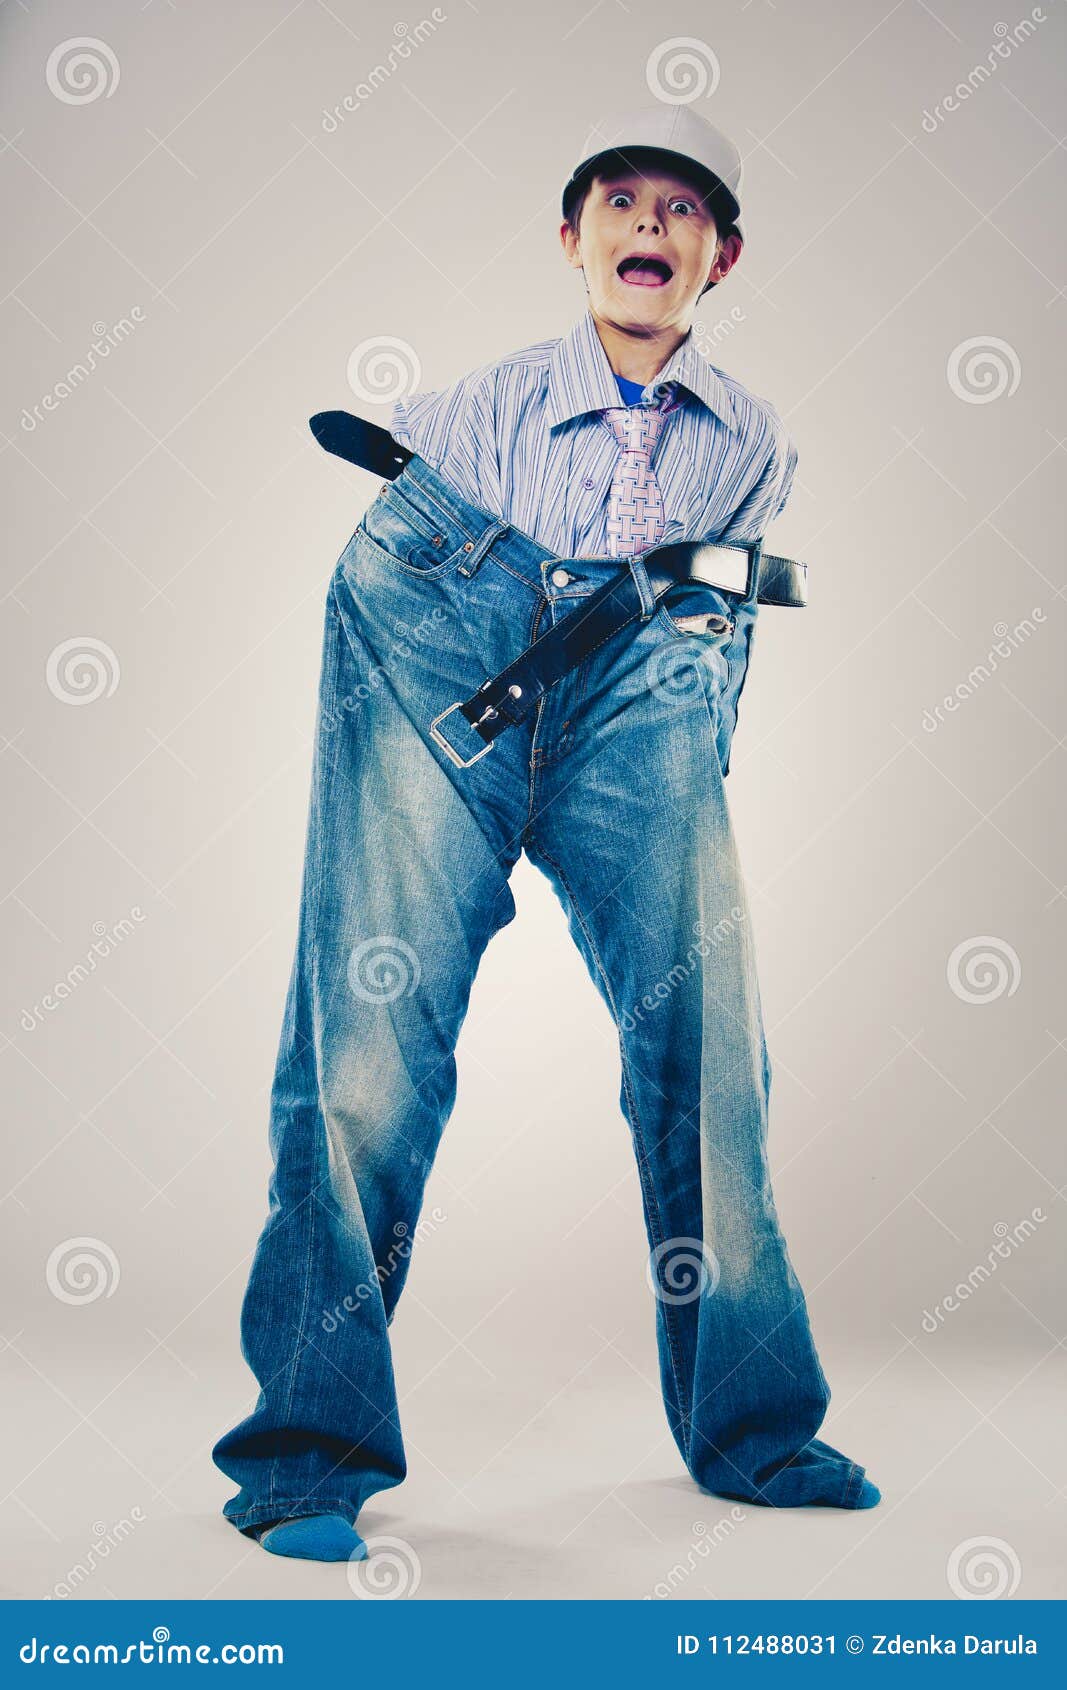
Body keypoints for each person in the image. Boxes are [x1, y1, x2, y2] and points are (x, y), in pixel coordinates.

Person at [212, 105, 880, 1565]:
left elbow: (719, 644)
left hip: (641, 673)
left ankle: (754, 1427)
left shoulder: (752, 439)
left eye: (683, 210)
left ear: (723, 256)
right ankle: (307, 1451)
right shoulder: (482, 404)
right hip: (440, 628)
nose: (651, 224)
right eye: (622, 202)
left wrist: (677, 760)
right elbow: (401, 547)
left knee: (711, 1029)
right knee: (371, 1038)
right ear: (572, 237)